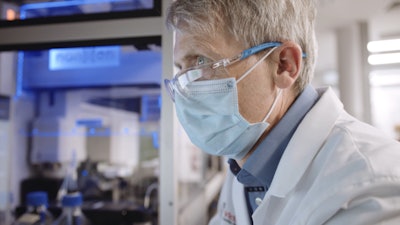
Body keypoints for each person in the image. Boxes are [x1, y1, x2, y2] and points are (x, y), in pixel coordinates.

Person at [164, 0, 400, 224]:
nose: (185, 89)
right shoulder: (247, 160)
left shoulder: (370, 187)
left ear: (284, 65)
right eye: (181, 69)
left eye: (202, 62)